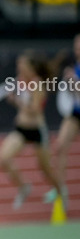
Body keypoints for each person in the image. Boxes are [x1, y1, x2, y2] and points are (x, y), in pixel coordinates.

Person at [0, 52, 66, 210]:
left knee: (45, 169)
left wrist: (16, 101)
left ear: (31, 68)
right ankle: (23, 187)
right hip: (21, 129)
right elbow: (20, 99)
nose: (18, 67)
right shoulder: (20, 80)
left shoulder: (38, 84)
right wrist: (14, 98)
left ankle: (61, 192)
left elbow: (35, 109)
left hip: (37, 131)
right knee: (3, 159)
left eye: (22, 65)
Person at [50, 35, 80, 207]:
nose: (77, 50)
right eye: (76, 47)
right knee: (60, 146)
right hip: (75, 114)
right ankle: (61, 191)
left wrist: (74, 83)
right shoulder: (74, 67)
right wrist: (69, 83)